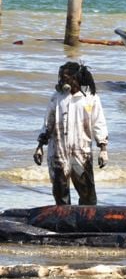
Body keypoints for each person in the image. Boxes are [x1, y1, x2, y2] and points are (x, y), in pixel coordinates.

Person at [33, 62, 109, 205]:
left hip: (82, 153)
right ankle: (63, 224)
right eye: (61, 78)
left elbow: (99, 124)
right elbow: (47, 124)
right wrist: (39, 146)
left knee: (88, 195)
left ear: (76, 79)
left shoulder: (90, 98)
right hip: (58, 152)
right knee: (60, 194)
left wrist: (103, 149)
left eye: (65, 78)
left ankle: (87, 223)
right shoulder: (57, 97)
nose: (62, 81)